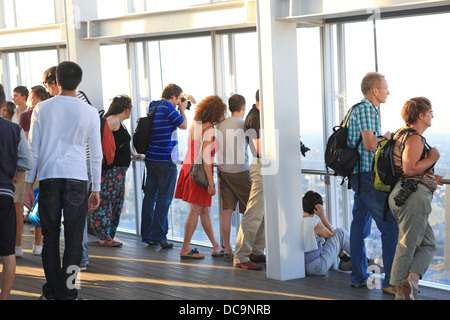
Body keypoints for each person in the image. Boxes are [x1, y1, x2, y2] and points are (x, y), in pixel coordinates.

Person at [22, 61, 102, 300]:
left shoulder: (42, 109)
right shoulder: (89, 111)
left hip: (49, 177)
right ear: (78, 82)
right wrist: (95, 188)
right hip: (77, 178)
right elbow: (96, 154)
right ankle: (68, 292)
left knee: (50, 238)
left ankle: (51, 291)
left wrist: (27, 184)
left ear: (56, 81)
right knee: (75, 239)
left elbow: (32, 150)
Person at [346, 72, 399, 294]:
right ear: (374, 91)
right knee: (390, 227)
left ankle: (358, 276)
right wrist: (385, 138)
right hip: (367, 176)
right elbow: (369, 145)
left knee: (359, 226)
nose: (388, 91)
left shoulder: (358, 109)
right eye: (385, 88)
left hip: (359, 175)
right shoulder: (367, 108)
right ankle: (390, 282)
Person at [388, 97, 442, 300]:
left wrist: (429, 174)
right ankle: (400, 293)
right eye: (430, 111)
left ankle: (412, 280)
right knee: (407, 245)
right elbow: (410, 168)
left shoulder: (400, 134)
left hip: (402, 193)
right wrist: (432, 158)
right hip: (413, 197)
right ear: (421, 115)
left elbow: (407, 168)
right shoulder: (414, 137)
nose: (432, 115)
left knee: (428, 244)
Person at [175, 95, 227, 259]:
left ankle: (216, 246)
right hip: (199, 174)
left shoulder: (195, 125)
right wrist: (211, 183)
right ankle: (185, 248)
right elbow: (206, 158)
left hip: (188, 169)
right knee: (195, 210)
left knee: (204, 210)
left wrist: (187, 97)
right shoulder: (210, 130)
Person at [88, 95, 143, 246]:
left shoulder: (119, 123)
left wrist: (134, 154)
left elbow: (123, 143)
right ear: (126, 109)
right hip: (112, 170)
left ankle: (107, 235)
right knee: (108, 201)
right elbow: (98, 139)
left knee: (115, 201)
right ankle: (104, 237)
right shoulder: (113, 120)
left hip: (118, 171)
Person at [140, 84, 189, 249]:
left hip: (151, 158)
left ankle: (147, 235)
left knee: (150, 198)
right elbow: (183, 125)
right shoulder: (168, 107)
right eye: (179, 99)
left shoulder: (154, 105)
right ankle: (160, 236)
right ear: (174, 96)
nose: (179, 102)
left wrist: (182, 103)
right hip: (164, 161)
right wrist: (182, 109)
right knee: (164, 199)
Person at [0, 83, 33, 300]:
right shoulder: (14, 130)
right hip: (4, 194)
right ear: (4, 103)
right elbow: (27, 162)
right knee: (8, 253)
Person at [233, 90, 266, 270]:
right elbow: (260, 149)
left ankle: (255, 251)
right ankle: (241, 255)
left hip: (264, 165)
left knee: (263, 213)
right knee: (253, 212)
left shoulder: (258, 116)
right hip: (261, 166)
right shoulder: (256, 118)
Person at [15, 85, 49, 257]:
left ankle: (18, 247)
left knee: (19, 203)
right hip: (46, 166)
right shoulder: (51, 114)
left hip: (27, 166)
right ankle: (38, 245)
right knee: (39, 204)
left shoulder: (27, 115)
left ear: (33, 96)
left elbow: (27, 143)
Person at [217, 94, 251, 260]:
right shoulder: (244, 125)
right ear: (243, 107)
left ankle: (228, 248)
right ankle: (246, 248)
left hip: (224, 171)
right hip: (240, 171)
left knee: (227, 210)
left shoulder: (221, 124)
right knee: (250, 210)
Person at [302, 191, 351, 276]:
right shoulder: (314, 223)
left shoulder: (299, 219)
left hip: (303, 266)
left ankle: (344, 258)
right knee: (340, 232)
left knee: (325, 233)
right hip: (317, 267)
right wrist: (322, 216)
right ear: (317, 208)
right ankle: (363, 260)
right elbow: (332, 233)